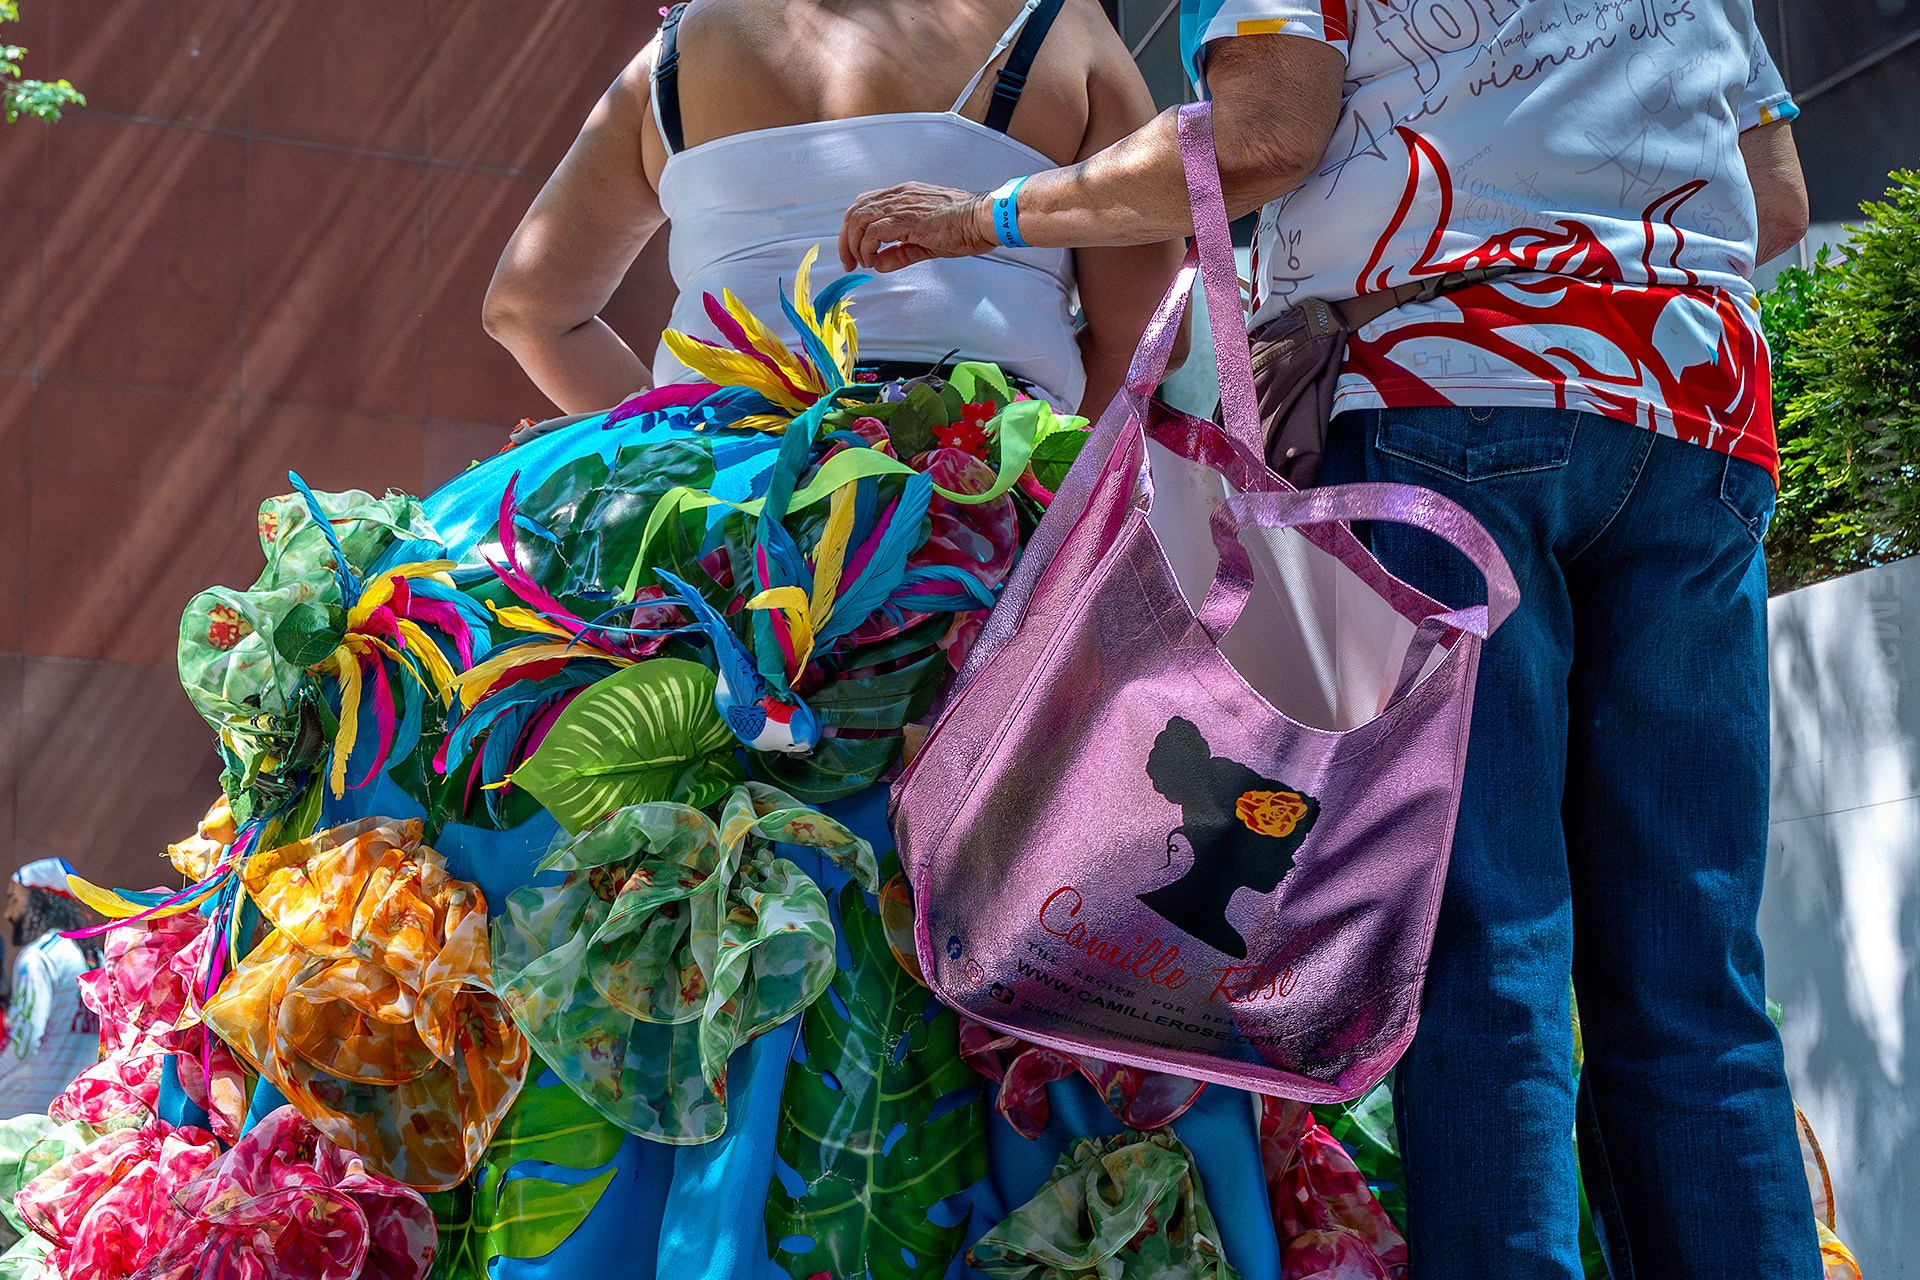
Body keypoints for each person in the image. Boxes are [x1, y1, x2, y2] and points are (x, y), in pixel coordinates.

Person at [840, 3, 1819, 1278]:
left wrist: (992, 217)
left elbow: (1261, 133)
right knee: (1696, 969)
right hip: (1699, 410)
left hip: (1450, 398)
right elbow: (1777, 194)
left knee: (1487, 946)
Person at [480, 0, 1185, 428]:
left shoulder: (672, 50)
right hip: (976, 509)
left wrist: (669, 437)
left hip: (720, 521)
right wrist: (1046, 497)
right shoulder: (1063, 27)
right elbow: (1153, 339)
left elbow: (527, 308)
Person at [0, 860, 99, 1118]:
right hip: (77, 1113)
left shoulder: (38, 958)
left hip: (24, 1114)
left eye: (13, 898)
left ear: (39, 897)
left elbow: (25, 1043)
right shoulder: (97, 958)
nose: (8, 914)